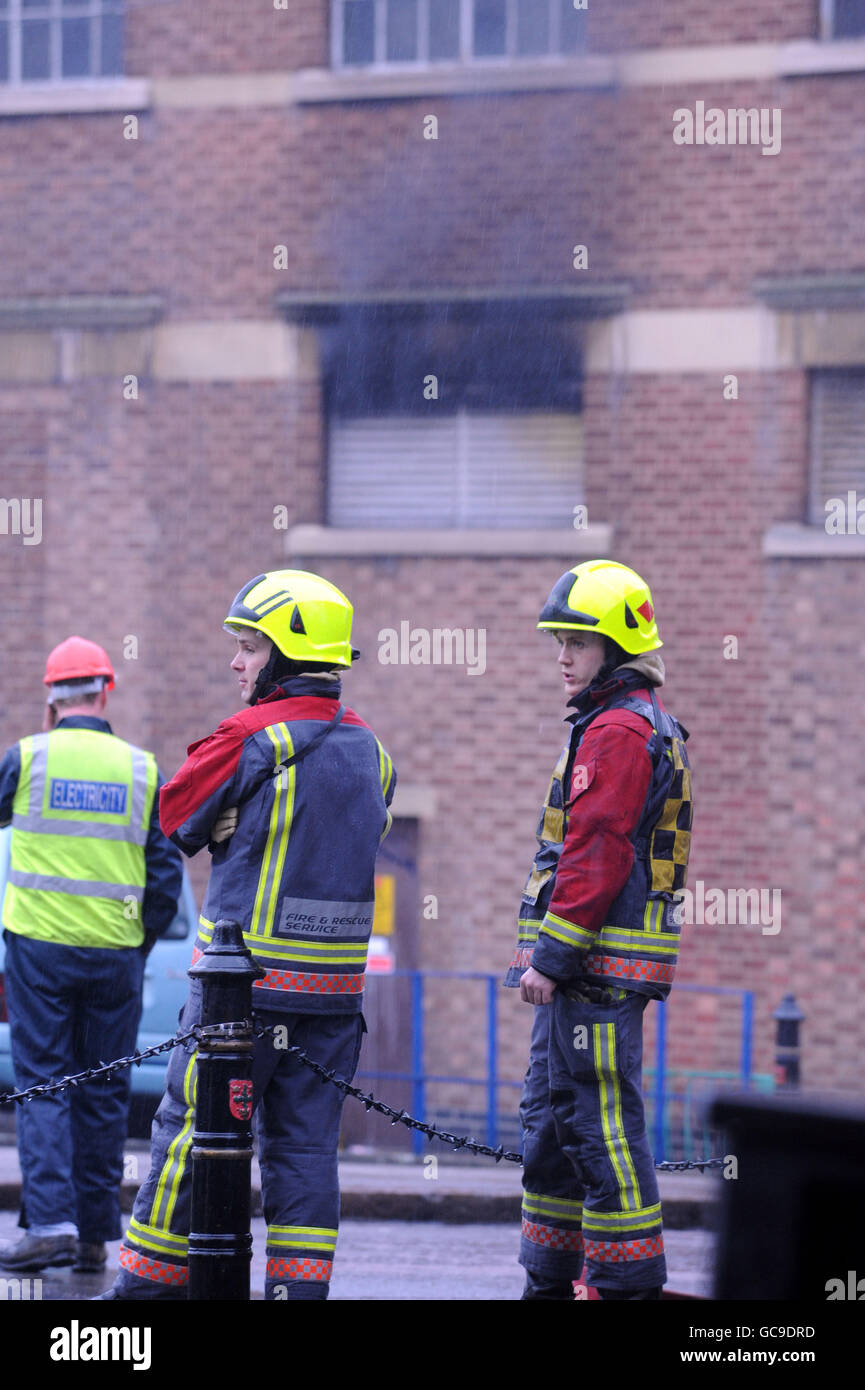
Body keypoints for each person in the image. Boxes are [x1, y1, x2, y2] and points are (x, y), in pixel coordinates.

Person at [100, 569, 396, 1301]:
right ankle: (297, 1294)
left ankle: (143, 1294)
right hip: (332, 1000)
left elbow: (175, 818)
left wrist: (232, 823)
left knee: (186, 1136)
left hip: (243, 993)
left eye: (250, 647)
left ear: (288, 654)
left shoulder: (249, 736)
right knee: (303, 1150)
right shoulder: (373, 753)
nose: (237, 662)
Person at [504, 560, 693, 1301]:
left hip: (595, 971)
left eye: (577, 642)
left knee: (597, 1125)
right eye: (559, 640)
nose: (562, 656)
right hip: (589, 969)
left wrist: (550, 958)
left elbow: (598, 849)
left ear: (614, 649)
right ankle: (548, 1280)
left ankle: (624, 1285)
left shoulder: (616, 730)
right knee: (554, 1129)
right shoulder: (620, 724)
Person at [0, 636, 183, 1275]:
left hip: (39, 950)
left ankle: (50, 1223)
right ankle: (92, 1236)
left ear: (50, 699)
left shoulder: (26, 759)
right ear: (106, 692)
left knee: (45, 1082)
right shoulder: (141, 769)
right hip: (114, 957)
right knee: (104, 1088)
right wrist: (138, 944)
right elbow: (166, 877)